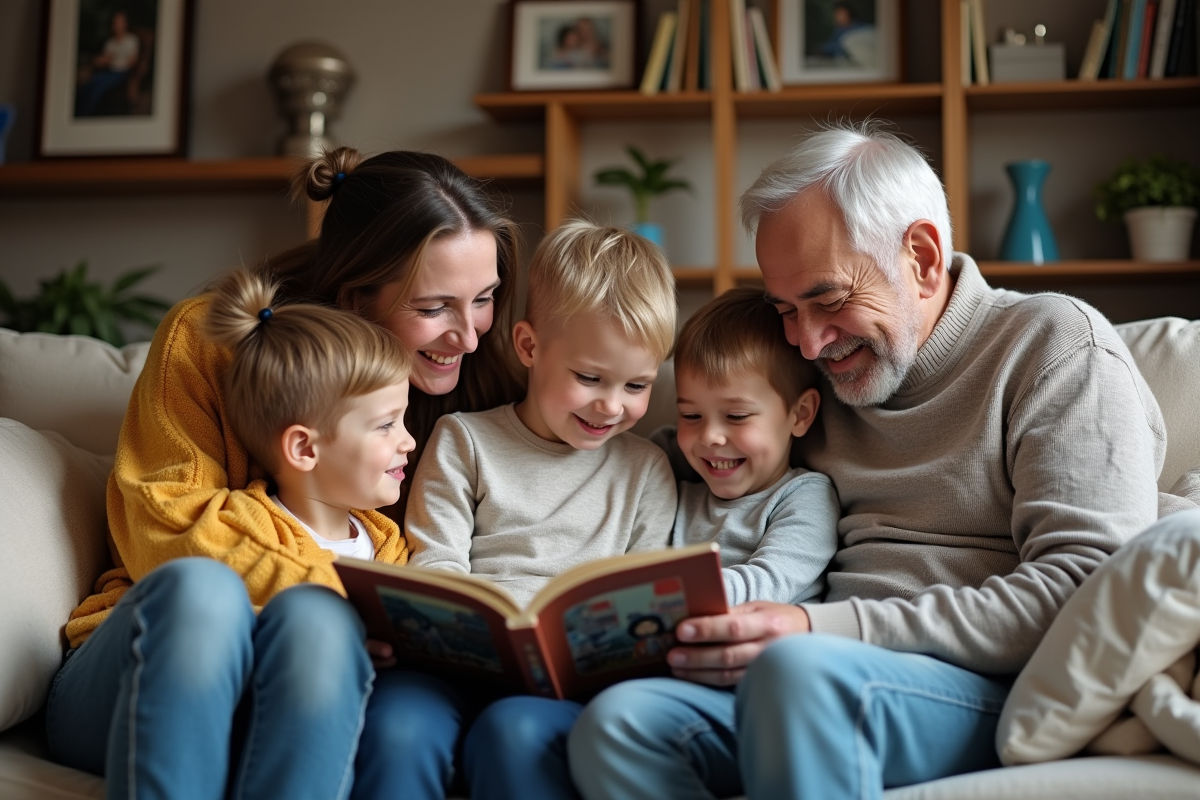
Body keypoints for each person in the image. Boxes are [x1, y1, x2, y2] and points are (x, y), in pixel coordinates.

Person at [568, 121, 1167, 800]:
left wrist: (818, 628)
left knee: (797, 676)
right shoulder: (810, 378)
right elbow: (679, 452)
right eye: (786, 309)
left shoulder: (1056, 348)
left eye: (828, 300)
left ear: (921, 256)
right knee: (619, 724)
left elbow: (1083, 588)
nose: (809, 341)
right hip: (804, 671)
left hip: (984, 684)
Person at [44, 147, 525, 800]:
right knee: (207, 592)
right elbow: (166, 519)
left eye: (486, 299)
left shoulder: (483, 392)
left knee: (317, 625)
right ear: (357, 296)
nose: (468, 337)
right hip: (147, 667)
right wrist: (357, 603)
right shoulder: (213, 343)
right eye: (435, 307)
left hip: (306, 690)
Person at [403, 220, 680, 800]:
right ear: (529, 347)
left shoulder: (645, 469)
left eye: (637, 385)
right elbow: (435, 564)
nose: (611, 406)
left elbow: (642, 606)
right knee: (400, 729)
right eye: (589, 378)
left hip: (574, 686)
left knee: (515, 732)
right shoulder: (465, 441)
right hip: (461, 665)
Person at [651, 286, 839, 607]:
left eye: (736, 416)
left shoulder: (804, 497)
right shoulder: (674, 475)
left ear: (800, 414)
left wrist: (662, 596)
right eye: (691, 415)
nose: (710, 436)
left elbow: (768, 582)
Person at [76, 10, 141, 117]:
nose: (117, 25)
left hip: (121, 73)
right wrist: (100, 60)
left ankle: (86, 114)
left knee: (97, 89)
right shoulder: (110, 43)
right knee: (88, 85)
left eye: (120, 22)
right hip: (109, 71)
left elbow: (132, 61)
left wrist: (115, 61)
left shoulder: (132, 40)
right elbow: (106, 58)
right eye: (115, 22)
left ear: (125, 24)